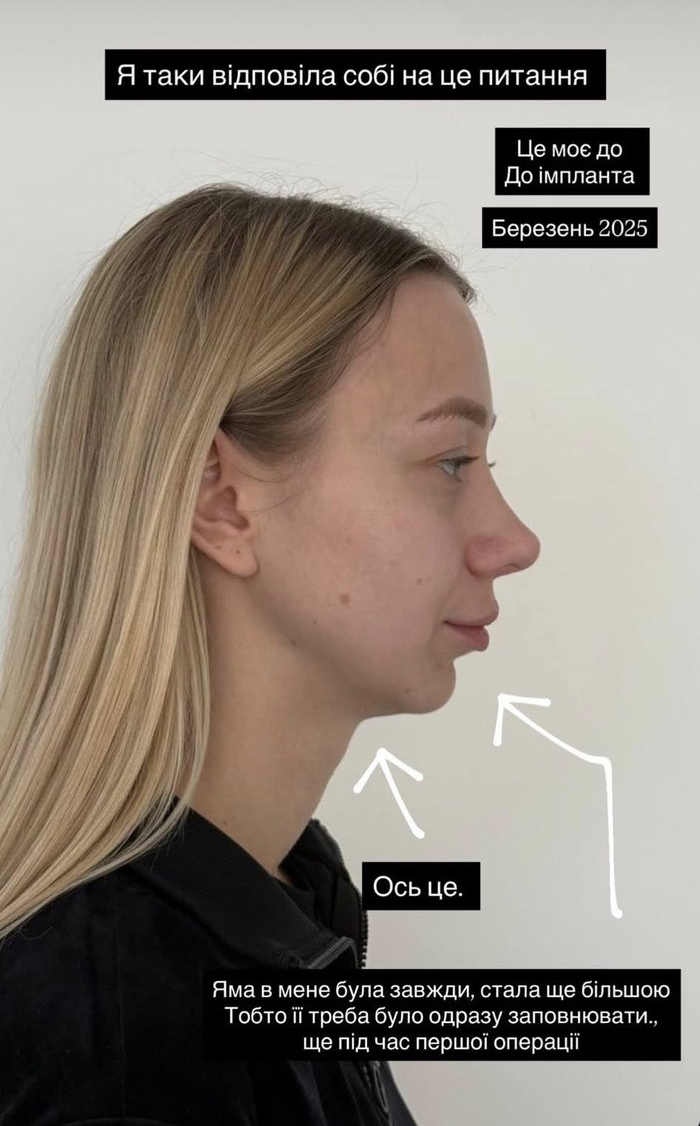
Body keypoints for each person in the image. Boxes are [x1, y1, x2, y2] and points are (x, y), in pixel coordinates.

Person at [0, 183, 540, 1124]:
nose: (514, 539)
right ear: (222, 502)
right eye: (451, 462)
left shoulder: (286, 898)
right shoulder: (118, 1046)